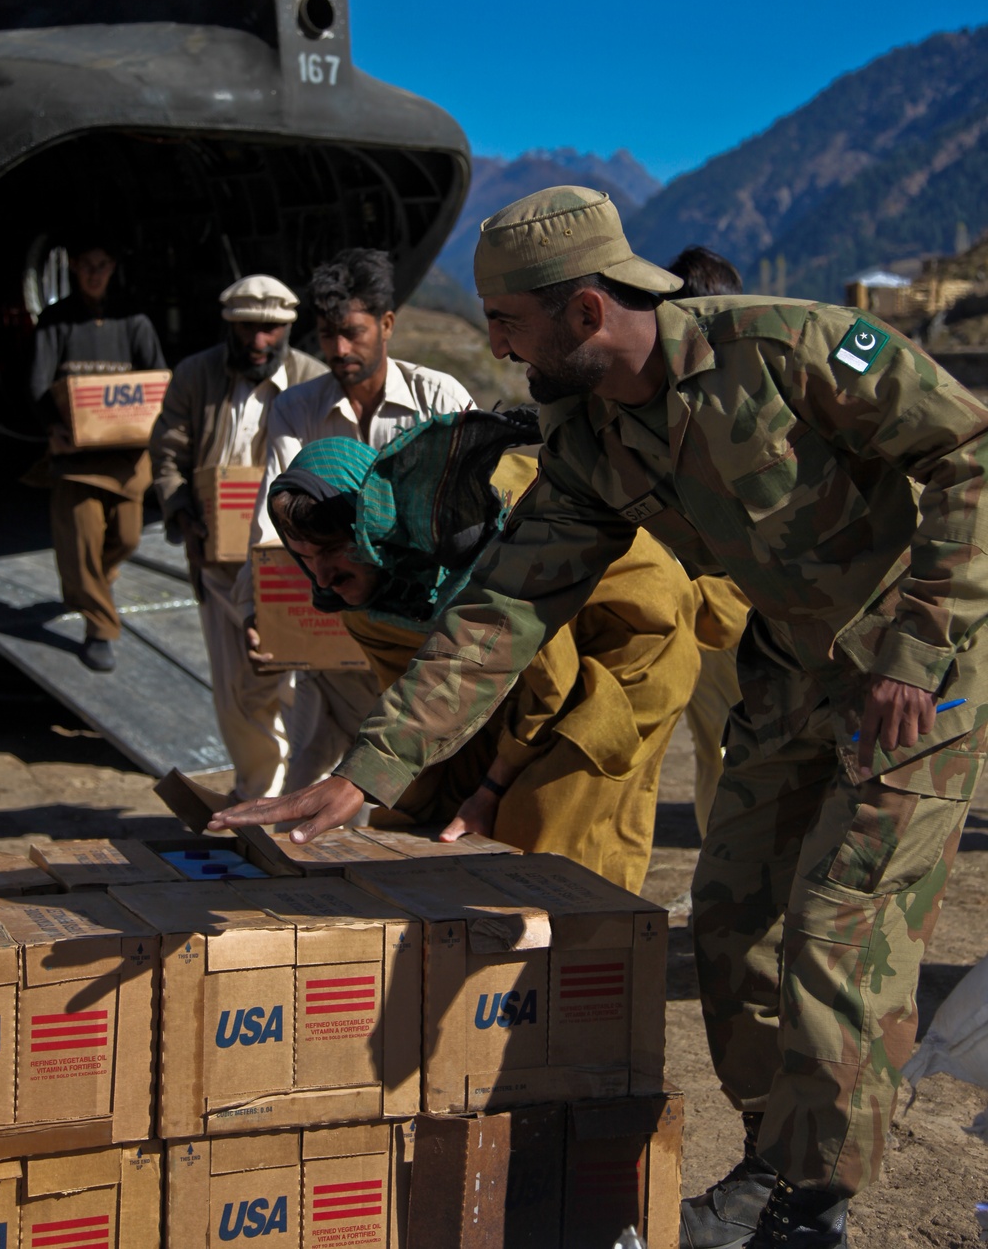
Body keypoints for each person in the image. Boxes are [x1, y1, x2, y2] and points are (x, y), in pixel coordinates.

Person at [212, 185, 988, 1249]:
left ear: (585, 312)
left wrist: (918, 643)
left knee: (836, 929)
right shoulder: (590, 431)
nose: (491, 346)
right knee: (727, 916)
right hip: (789, 667)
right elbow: (508, 603)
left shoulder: (790, 347)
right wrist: (372, 771)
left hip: (915, 670)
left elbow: (968, 454)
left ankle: (814, 1205)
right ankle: (777, 1161)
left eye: (507, 323)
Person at [263, 412, 705, 890]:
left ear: (374, 531)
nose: (322, 579)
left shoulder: (465, 543)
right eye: (305, 560)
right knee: (417, 813)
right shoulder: (366, 599)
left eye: (334, 553)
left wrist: (491, 790)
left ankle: (583, 948)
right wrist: (385, 790)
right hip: (509, 664)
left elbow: (548, 684)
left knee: (544, 817)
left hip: (623, 645)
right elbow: (415, 695)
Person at [232, 247, 474, 791]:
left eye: (353, 333)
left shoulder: (439, 400)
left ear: (387, 324)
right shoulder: (296, 409)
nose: (339, 350)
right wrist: (258, 608)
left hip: (415, 635)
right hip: (329, 621)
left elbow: (459, 528)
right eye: (326, 335)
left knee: (410, 784)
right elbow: (273, 522)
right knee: (311, 774)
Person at [149, 274, 325, 799]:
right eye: (249, 330)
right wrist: (182, 512)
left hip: (291, 564)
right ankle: (258, 792)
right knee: (236, 692)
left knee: (297, 683)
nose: (259, 342)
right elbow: (168, 453)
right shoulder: (195, 376)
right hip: (218, 564)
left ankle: (304, 792)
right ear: (231, 328)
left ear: (288, 329)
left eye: (271, 331)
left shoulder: (312, 380)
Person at [29, 235, 165, 672]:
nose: (95, 272)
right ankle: (101, 626)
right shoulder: (57, 320)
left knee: (124, 539)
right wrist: (52, 431)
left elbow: (157, 382)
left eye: (103, 263)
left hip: (127, 458)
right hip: (76, 461)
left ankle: (87, 586)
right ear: (72, 266)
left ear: (113, 267)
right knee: (82, 545)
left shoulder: (135, 321)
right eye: (87, 263)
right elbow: (35, 387)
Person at [665, 246, 751, 838]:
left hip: (709, 603)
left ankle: (727, 895)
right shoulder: (746, 382)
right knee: (734, 751)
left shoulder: (671, 390)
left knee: (716, 752)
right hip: (735, 604)